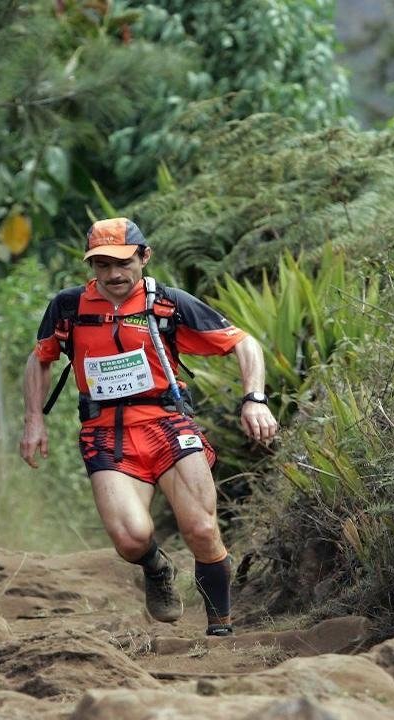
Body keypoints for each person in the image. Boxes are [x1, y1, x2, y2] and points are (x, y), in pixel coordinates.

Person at [20, 218, 278, 636]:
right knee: (130, 539)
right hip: (106, 433)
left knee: (200, 528)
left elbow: (243, 342)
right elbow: (41, 357)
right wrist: (34, 420)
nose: (113, 274)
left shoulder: (168, 303)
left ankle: (220, 628)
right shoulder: (68, 307)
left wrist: (255, 399)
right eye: (101, 265)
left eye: (122, 263)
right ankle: (157, 569)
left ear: (144, 257)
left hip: (167, 425)